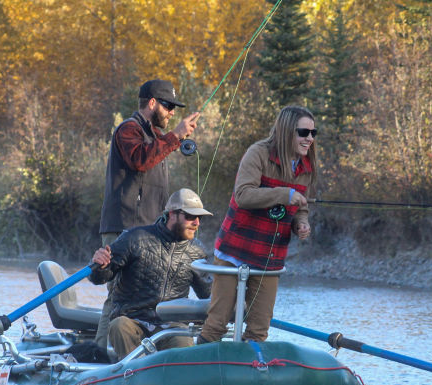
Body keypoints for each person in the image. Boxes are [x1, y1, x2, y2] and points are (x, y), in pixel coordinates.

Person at [197, 105, 318, 344]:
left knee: (258, 331)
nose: (310, 139)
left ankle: (248, 365)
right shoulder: (258, 153)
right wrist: (284, 194)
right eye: (304, 132)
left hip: (270, 258)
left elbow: (301, 205)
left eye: (314, 133)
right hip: (234, 250)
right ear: (286, 131)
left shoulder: (307, 166)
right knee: (216, 325)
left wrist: (301, 224)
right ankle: (198, 362)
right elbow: (243, 195)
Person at [96, 79, 201, 349]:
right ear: (152, 103)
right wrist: (176, 136)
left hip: (148, 231)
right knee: (117, 294)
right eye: (168, 106)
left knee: (142, 296)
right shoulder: (128, 129)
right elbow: (140, 160)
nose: (172, 112)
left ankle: (144, 353)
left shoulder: (156, 138)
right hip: (123, 226)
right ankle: (101, 354)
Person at [90, 188, 213, 361]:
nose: (197, 223)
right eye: (190, 216)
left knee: (183, 340)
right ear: (172, 214)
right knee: (119, 325)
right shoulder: (134, 238)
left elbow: (209, 294)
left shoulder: (197, 251)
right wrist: (99, 265)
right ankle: (132, 372)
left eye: (200, 218)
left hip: (172, 325)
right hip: (132, 319)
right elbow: (98, 278)